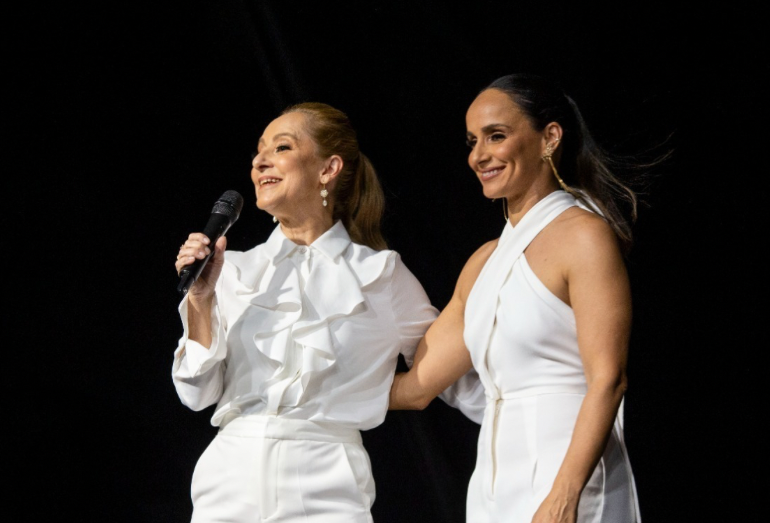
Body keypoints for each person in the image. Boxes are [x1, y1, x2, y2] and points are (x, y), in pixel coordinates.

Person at [171, 101, 480, 522]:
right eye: (258, 151)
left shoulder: (379, 275)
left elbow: (448, 377)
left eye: (281, 147)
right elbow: (195, 394)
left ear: (328, 169)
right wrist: (201, 299)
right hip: (228, 480)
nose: (261, 161)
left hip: (326, 480)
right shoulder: (234, 270)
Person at [389, 73, 650, 522]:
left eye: (496, 136)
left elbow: (609, 380)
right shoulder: (484, 262)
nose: (479, 155)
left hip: (569, 473)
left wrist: (564, 495)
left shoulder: (583, 236)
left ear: (549, 137)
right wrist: (308, 391)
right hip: (494, 481)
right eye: (472, 141)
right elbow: (416, 389)